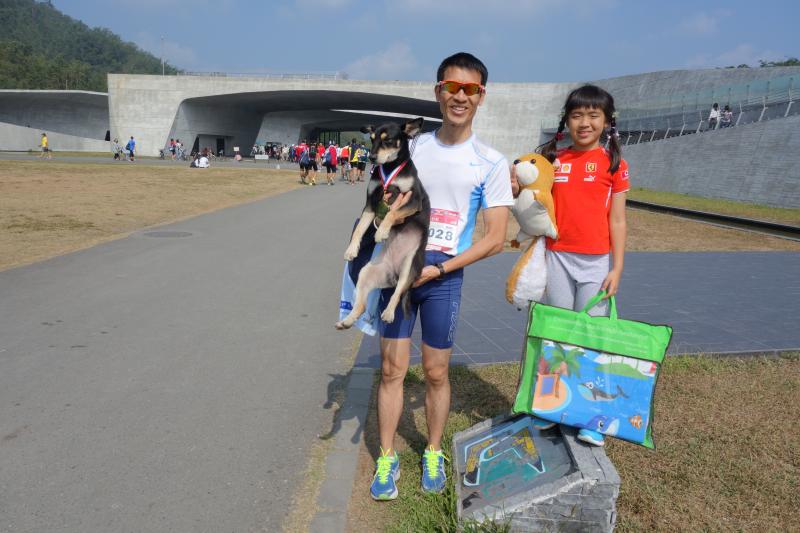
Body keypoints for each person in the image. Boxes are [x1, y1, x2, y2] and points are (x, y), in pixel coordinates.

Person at [368, 52, 512, 501]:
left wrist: (440, 269)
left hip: (443, 276)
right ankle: (387, 458)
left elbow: (495, 239)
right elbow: (380, 197)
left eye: (470, 89)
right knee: (391, 369)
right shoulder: (414, 148)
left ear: (481, 96)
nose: (460, 96)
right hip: (399, 271)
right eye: (452, 87)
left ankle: (432, 451)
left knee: (435, 371)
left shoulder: (491, 161)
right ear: (438, 92)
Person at [523, 84, 629, 447]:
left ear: (607, 121)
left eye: (593, 116)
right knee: (558, 335)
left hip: (597, 264)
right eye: (577, 115)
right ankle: (549, 406)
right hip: (557, 258)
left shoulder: (614, 164)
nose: (584, 123)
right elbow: (533, 200)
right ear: (566, 121)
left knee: (591, 338)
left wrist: (616, 268)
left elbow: (618, 220)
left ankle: (592, 416)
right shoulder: (554, 161)